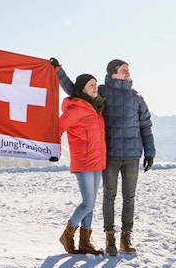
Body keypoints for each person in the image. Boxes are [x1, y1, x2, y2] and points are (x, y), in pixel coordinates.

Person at [53, 58, 154, 256]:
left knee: (129, 197)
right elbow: (75, 89)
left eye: (128, 69)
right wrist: (58, 71)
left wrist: (150, 151)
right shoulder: (103, 93)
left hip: (132, 155)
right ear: (113, 73)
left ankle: (126, 237)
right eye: (124, 69)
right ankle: (110, 237)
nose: (128, 72)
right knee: (108, 197)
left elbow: (145, 125)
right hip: (110, 156)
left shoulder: (136, 97)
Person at [57, 73, 106, 256]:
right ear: (82, 89)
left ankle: (85, 242)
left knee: (91, 204)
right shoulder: (76, 108)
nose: (95, 87)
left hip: (97, 161)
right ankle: (67, 234)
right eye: (91, 85)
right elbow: (58, 127)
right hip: (84, 161)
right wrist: (55, 151)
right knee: (87, 204)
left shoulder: (97, 107)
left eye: (96, 84)